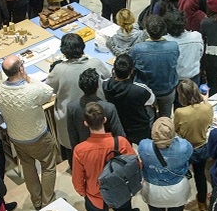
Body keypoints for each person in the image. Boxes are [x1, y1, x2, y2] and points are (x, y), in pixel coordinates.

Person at [72, 102, 142, 211]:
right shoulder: (121, 142)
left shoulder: (80, 150)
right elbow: (136, 165)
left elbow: (77, 181)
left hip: (96, 197)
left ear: (85, 123)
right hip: (121, 193)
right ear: (104, 120)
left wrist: (86, 193)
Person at [0, 55, 59, 209]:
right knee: (48, 166)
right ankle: (47, 201)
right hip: (38, 136)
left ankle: (36, 201)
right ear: (21, 69)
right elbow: (49, 92)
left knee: (28, 167)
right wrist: (28, 78)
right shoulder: (31, 90)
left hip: (16, 137)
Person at [48, 34, 112, 163]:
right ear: (83, 47)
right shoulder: (95, 63)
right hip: (96, 114)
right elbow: (108, 76)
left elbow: (48, 90)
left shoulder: (59, 69)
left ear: (63, 51)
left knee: (75, 153)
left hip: (70, 118)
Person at [137, 117, 192, 211]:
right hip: (176, 189)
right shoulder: (184, 146)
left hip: (153, 190)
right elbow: (188, 159)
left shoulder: (144, 146)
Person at [173, 79, 213, 207]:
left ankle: (179, 201)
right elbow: (209, 122)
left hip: (185, 148)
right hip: (202, 147)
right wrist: (205, 101)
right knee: (200, 176)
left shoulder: (180, 112)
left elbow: (176, 129)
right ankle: (202, 202)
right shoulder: (207, 108)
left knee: (181, 173)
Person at [132, 15, 180, 117]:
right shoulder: (173, 46)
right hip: (167, 90)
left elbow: (133, 67)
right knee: (165, 118)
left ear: (147, 31)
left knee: (148, 117)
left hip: (146, 91)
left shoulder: (138, 49)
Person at [66, 68, 125, 148]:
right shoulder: (109, 108)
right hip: (108, 150)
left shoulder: (71, 107)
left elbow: (73, 136)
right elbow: (119, 135)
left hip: (84, 151)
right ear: (97, 85)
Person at [104, 54, 156, 144]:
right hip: (139, 128)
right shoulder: (141, 89)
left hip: (118, 127)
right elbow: (152, 100)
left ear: (114, 70)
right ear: (131, 71)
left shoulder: (105, 85)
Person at [163, 11, 203, 86]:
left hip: (175, 79)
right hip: (193, 75)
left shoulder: (164, 42)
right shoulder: (196, 36)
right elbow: (200, 54)